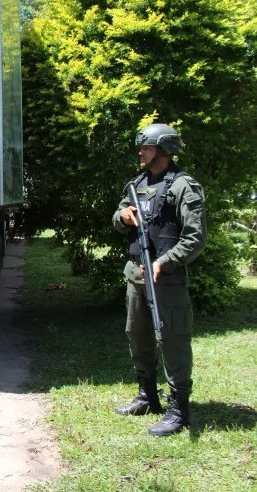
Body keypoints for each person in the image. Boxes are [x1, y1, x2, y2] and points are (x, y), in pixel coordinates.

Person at [112, 124, 207, 436]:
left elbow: (195, 238)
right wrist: (122, 217)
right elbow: (120, 214)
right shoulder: (138, 184)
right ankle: (147, 396)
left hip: (166, 279)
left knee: (172, 340)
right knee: (136, 335)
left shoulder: (183, 186)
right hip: (136, 275)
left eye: (147, 148)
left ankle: (178, 409)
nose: (141, 152)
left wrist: (165, 262)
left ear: (164, 150)